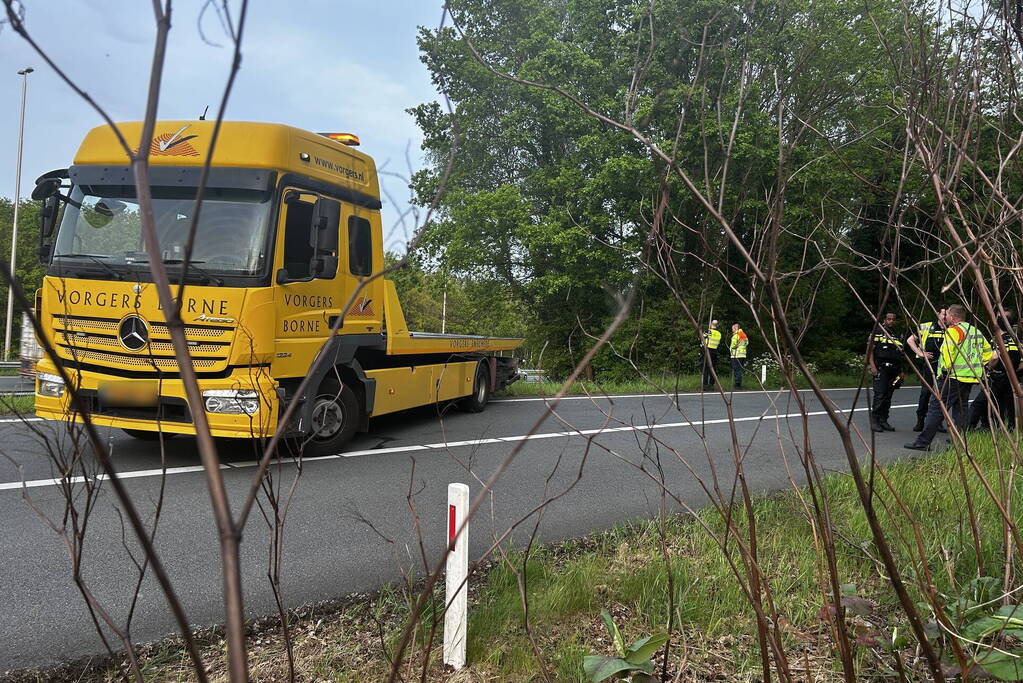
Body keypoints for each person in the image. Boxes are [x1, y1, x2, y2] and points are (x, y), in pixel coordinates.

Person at [905, 304, 990, 451]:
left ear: (953, 317)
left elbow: (947, 353)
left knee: (936, 408)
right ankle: (962, 442)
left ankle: (922, 443)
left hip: (951, 378)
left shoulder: (954, 331)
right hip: (969, 378)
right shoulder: (976, 331)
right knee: (960, 411)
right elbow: (989, 354)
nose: (946, 318)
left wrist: (944, 371)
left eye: (948, 315)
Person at [968, 310, 1020, 430]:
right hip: (1011, 377)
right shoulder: (1015, 339)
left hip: (997, 377)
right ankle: (1009, 429)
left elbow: (995, 357)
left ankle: (967, 428)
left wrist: (988, 369)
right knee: (1007, 406)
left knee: (980, 403)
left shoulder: (998, 339)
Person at [906, 307, 947, 432]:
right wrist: (921, 353)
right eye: (943, 314)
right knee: (925, 394)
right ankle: (920, 421)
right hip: (930, 366)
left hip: (944, 368)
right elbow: (910, 340)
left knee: (940, 396)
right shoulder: (927, 326)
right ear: (938, 314)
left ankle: (937, 422)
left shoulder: (950, 329)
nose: (945, 317)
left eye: (947, 314)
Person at [867, 312, 905, 432]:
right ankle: (875, 421)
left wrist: (901, 371)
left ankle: (883, 420)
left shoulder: (897, 335)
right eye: (889, 319)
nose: (891, 321)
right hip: (881, 368)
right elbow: (869, 350)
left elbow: (899, 355)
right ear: (885, 320)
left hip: (894, 371)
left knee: (888, 396)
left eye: (893, 320)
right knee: (880, 395)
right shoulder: (877, 332)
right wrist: (872, 366)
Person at [702, 320, 722, 389]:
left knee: (706, 368)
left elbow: (702, 339)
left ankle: (705, 385)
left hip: (707, 350)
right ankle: (711, 384)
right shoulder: (719, 333)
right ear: (717, 325)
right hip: (714, 351)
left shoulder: (708, 331)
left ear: (711, 324)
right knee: (713, 368)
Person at [729, 323, 748, 389]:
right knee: (740, 370)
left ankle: (737, 385)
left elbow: (733, 345)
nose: (732, 330)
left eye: (732, 328)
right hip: (743, 355)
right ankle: (738, 384)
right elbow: (747, 343)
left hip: (736, 355)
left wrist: (731, 350)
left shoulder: (736, 335)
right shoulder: (743, 334)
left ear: (735, 328)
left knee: (737, 370)